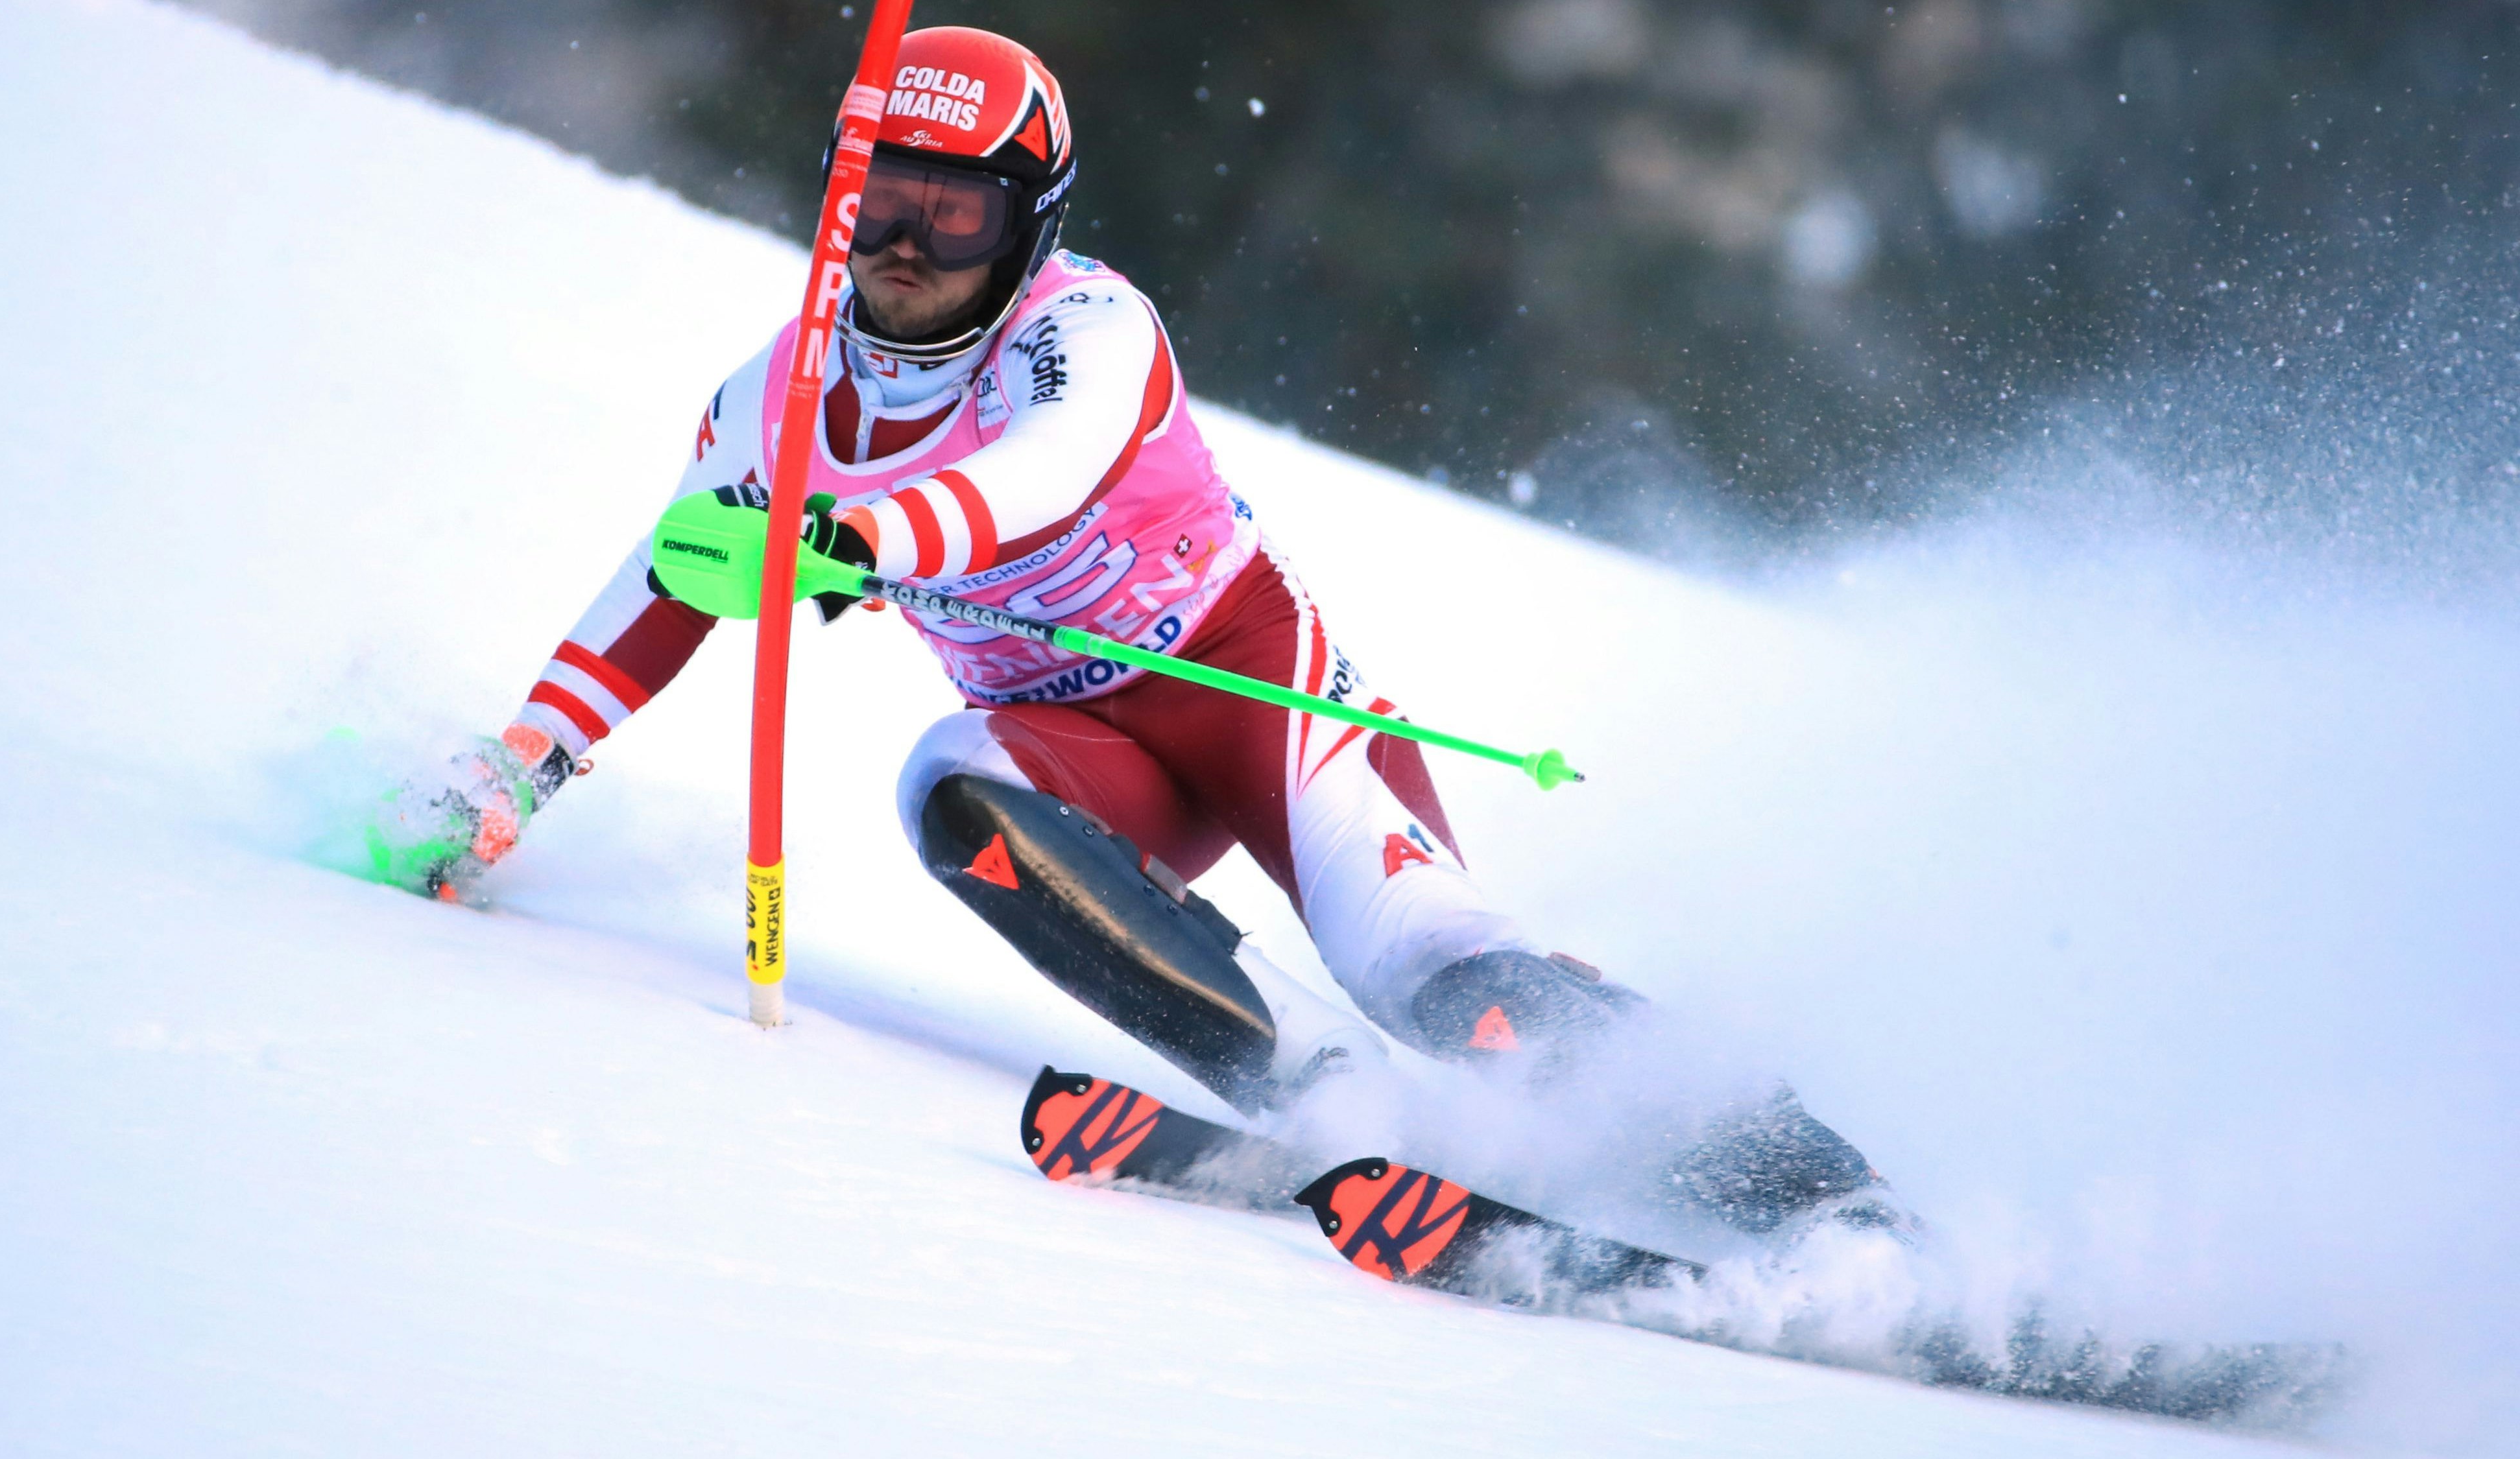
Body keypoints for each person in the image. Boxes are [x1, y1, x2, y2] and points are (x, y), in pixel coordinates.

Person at [372, 25, 1888, 1237]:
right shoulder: (777, 392)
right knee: (949, 788)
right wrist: (518, 771)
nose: (904, 241)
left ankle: (1825, 1192)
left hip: (1245, 691)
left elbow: (1030, 484)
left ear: (1026, 222)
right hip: (1086, 757)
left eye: (950, 208)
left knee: (1441, 971)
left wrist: (859, 536)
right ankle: (1313, 1087)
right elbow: (671, 576)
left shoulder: (1087, 330)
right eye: (877, 196)